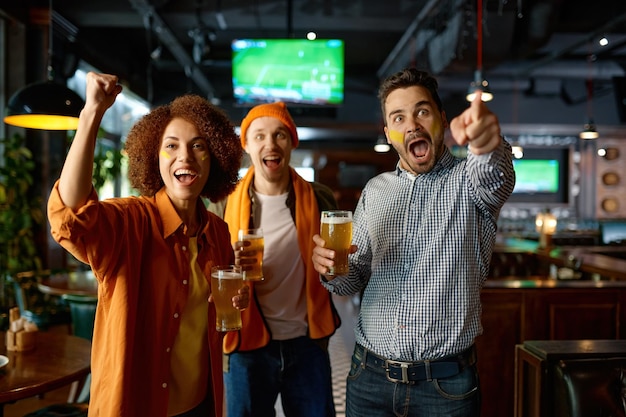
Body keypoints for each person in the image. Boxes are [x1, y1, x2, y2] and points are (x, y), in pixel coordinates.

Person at [312, 68, 516, 417]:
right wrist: (331, 270)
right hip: (368, 376)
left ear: (441, 118)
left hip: (445, 388)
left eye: (422, 111)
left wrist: (486, 143)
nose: (412, 125)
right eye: (399, 117)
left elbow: (494, 171)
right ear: (389, 133)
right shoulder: (376, 191)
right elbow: (353, 278)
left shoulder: (469, 182)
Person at [47, 71, 249, 417]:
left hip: (200, 403)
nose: (184, 156)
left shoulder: (217, 232)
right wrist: (92, 113)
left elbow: (212, 316)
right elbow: (70, 214)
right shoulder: (128, 222)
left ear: (213, 158)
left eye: (198, 145)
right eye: (171, 146)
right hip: (135, 403)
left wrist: (236, 300)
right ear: (153, 158)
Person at [210, 101, 341, 417]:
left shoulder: (319, 197)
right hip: (246, 345)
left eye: (280, 135)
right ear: (247, 146)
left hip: (307, 342)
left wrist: (334, 266)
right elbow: (207, 271)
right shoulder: (224, 204)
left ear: (292, 142)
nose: (270, 144)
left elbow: (335, 270)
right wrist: (230, 268)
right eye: (259, 136)